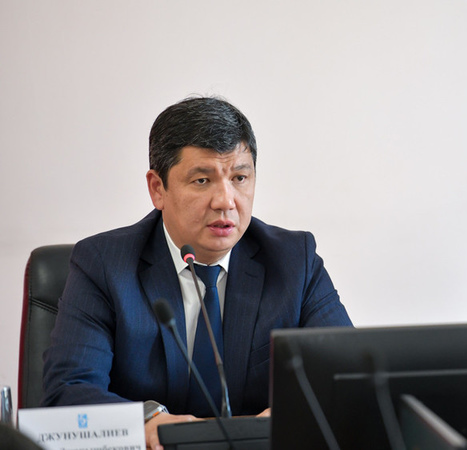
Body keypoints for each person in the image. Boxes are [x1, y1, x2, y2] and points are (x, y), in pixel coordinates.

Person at [42, 97, 352, 448]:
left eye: (239, 178)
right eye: (202, 180)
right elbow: (68, 392)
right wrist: (147, 422)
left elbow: (346, 378)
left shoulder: (294, 260)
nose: (226, 201)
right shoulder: (104, 264)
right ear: (158, 189)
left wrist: (292, 413)